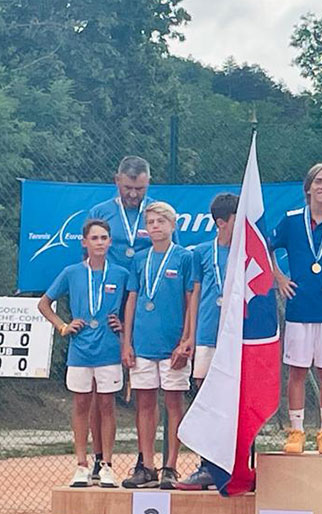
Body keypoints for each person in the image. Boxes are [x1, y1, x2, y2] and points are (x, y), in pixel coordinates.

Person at [86, 156, 177, 482]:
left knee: (155, 389)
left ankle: (160, 463)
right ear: (116, 181)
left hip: (144, 305)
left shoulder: (157, 213)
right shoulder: (100, 213)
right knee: (100, 388)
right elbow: (88, 264)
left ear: (148, 183)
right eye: (128, 188)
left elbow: (169, 259)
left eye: (139, 188)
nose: (134, 195)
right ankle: (100, 459)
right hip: (108, 305)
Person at [269, 164, 322, 455]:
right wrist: (278, 277)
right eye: (318, 181)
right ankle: (296, 431)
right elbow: (265, 246)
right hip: (298, 309)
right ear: (308, 188)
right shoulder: (292, 221)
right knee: (296, 371)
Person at [37, 219, 128, 488]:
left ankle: (107, 465)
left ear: (110, 242)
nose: (99, 243)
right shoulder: (72, 272)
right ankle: (81, 465)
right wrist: (63, 326)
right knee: (80, 405)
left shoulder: (121, 274)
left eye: (104, 238)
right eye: (94, 238)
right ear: (84, 242)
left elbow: (129, 308)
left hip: (109, 350)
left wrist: (122, 325)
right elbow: (44, 304)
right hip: (80, 351)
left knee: (107, 406)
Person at [121, 202, 194, 490]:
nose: (155, 226)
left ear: (173, 225)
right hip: (142, 344)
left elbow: (191, 302)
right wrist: (127, 342)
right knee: (145, 403)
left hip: (173, 346)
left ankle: (171, 466)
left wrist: (186, 340)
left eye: (161, 221)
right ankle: (147, 465)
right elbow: (131, 301)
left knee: (174, 402)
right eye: (150, 222)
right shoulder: (139, 259)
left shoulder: (184, 258)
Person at [177, 193, 238, 490]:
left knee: (236, 401)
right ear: (221, 222)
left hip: (236, 338)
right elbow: (195, 295)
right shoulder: (199, 253)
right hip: (207, 336)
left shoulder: (246, 252)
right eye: (237, 220)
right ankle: (206, 466)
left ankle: (237, 467)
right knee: (206, 400)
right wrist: (190, 336)